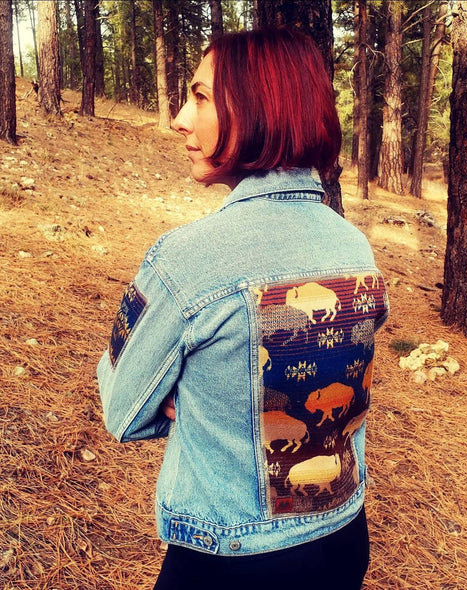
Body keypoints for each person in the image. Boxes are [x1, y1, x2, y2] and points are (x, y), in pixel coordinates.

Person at [97, 28, 389, 589]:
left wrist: (190, 397)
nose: (180, 119)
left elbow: (123, 408)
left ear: (259, 108)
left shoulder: (186, 260)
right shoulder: (353, 246)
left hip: (230, 562)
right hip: (342, 543)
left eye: (201, 98)